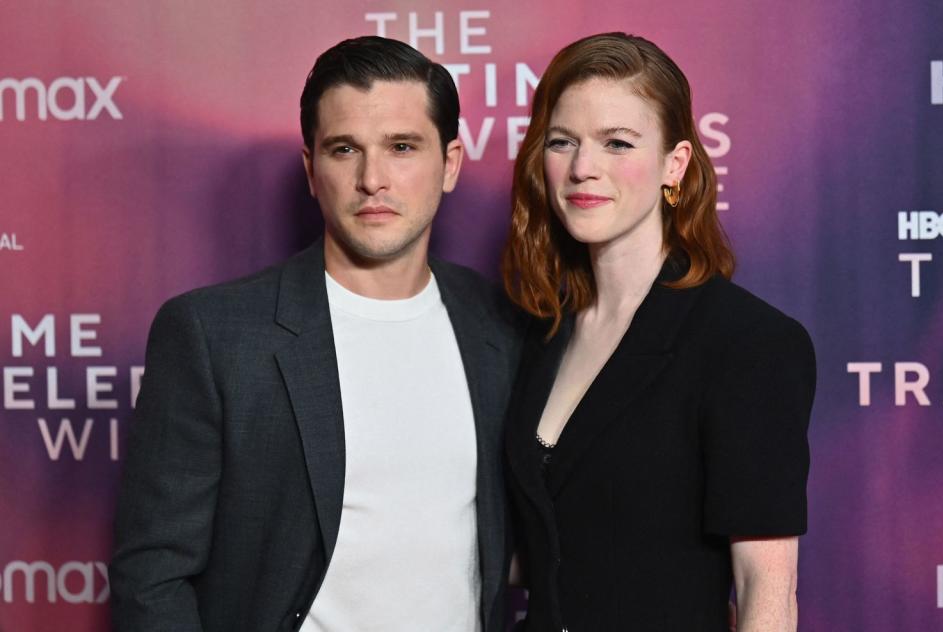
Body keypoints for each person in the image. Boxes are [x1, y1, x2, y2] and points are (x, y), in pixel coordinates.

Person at [110, 36, 522, 632]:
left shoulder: (499, 324)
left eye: (402, 147)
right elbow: (152, 575)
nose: (372, 178)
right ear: (311, 169)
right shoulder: (214, 335)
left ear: (450, 163)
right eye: (344, 148)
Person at [501, 33, 816, 631]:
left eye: (616, 143)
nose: (582, 168)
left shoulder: (746, 344)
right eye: (562, 142)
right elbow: (550, 543)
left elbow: (765, 592)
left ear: (675, 165)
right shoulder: (539, 333)